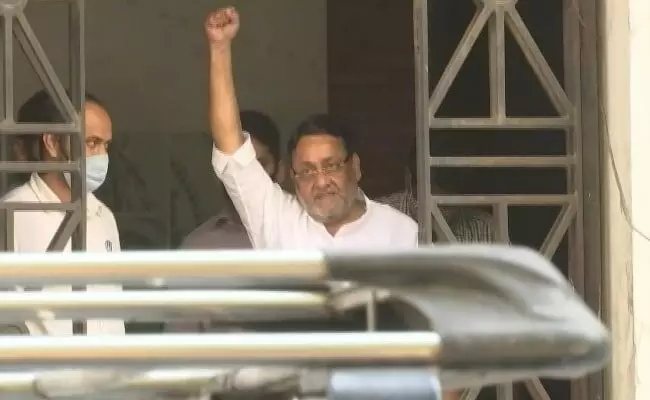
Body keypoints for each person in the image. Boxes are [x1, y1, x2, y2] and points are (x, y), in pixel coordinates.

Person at [205, 7, 417, 249]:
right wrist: (219, 47)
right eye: (307, 171)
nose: (321, 181)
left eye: (331, 166)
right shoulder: (278, 219)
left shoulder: (400, 231)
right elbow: (230, 146)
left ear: (355, 167)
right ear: (293, 178)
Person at [1, 90, 124, 336]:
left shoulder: (104, 216)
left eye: (106, 145)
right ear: (52, 143)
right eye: (92, 143)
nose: (102, 156)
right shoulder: (13, 213)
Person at [179, 110, 282, 249]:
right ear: (218, 173)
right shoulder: (198, 248)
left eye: (260, 164)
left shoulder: (304, 234)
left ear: (281, 171)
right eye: (236, 166)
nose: (247, 177)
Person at [378, 144, 495, 243]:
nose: (439, 215)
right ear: (409, 179)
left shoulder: (487, 230)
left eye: (447, 206)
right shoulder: (376, 220)